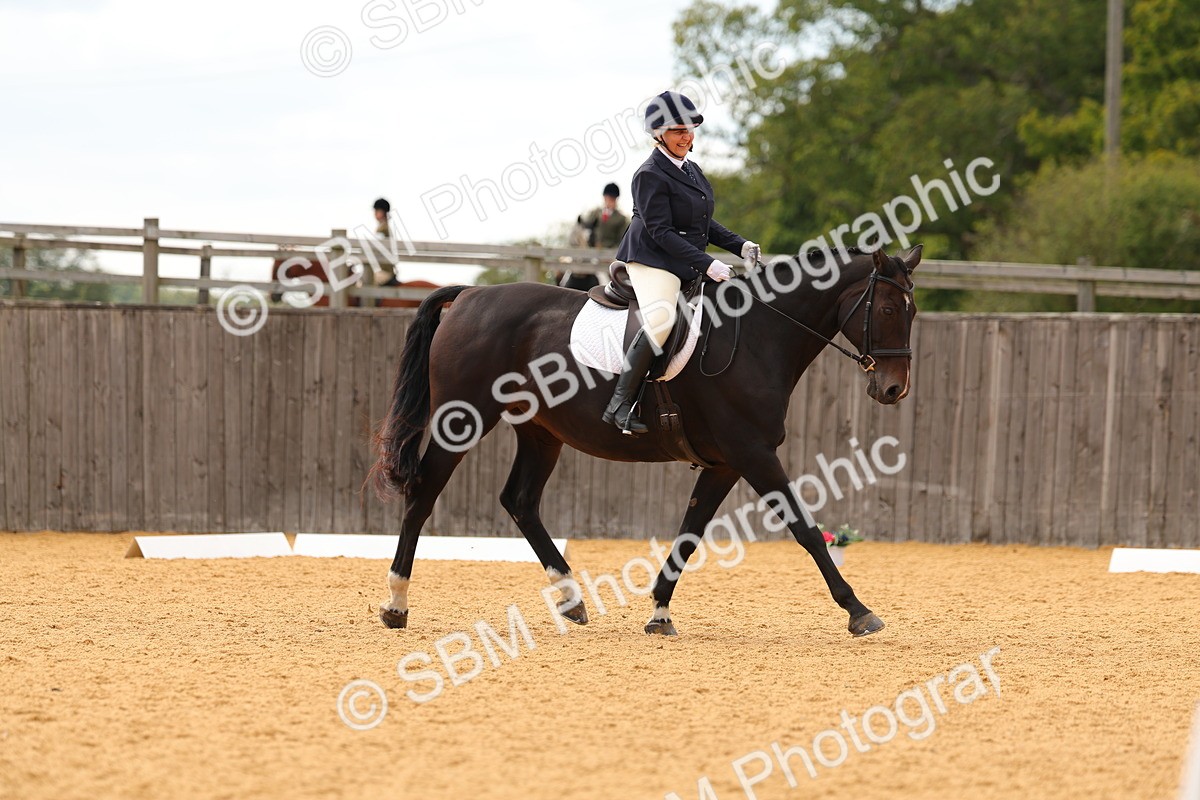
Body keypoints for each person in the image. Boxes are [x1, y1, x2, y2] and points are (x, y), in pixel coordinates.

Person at [604, 91, 760, 435]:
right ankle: (619, 405)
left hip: (682, 257)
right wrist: (708, 264)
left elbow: (704, 225)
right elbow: (661, 231)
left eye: (690, 129)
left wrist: (740, 245)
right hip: (651, 260)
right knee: (661, 320)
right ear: (658, 134)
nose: (686, 136)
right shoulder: (649, 174)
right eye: (677, 131)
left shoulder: (691, 169)